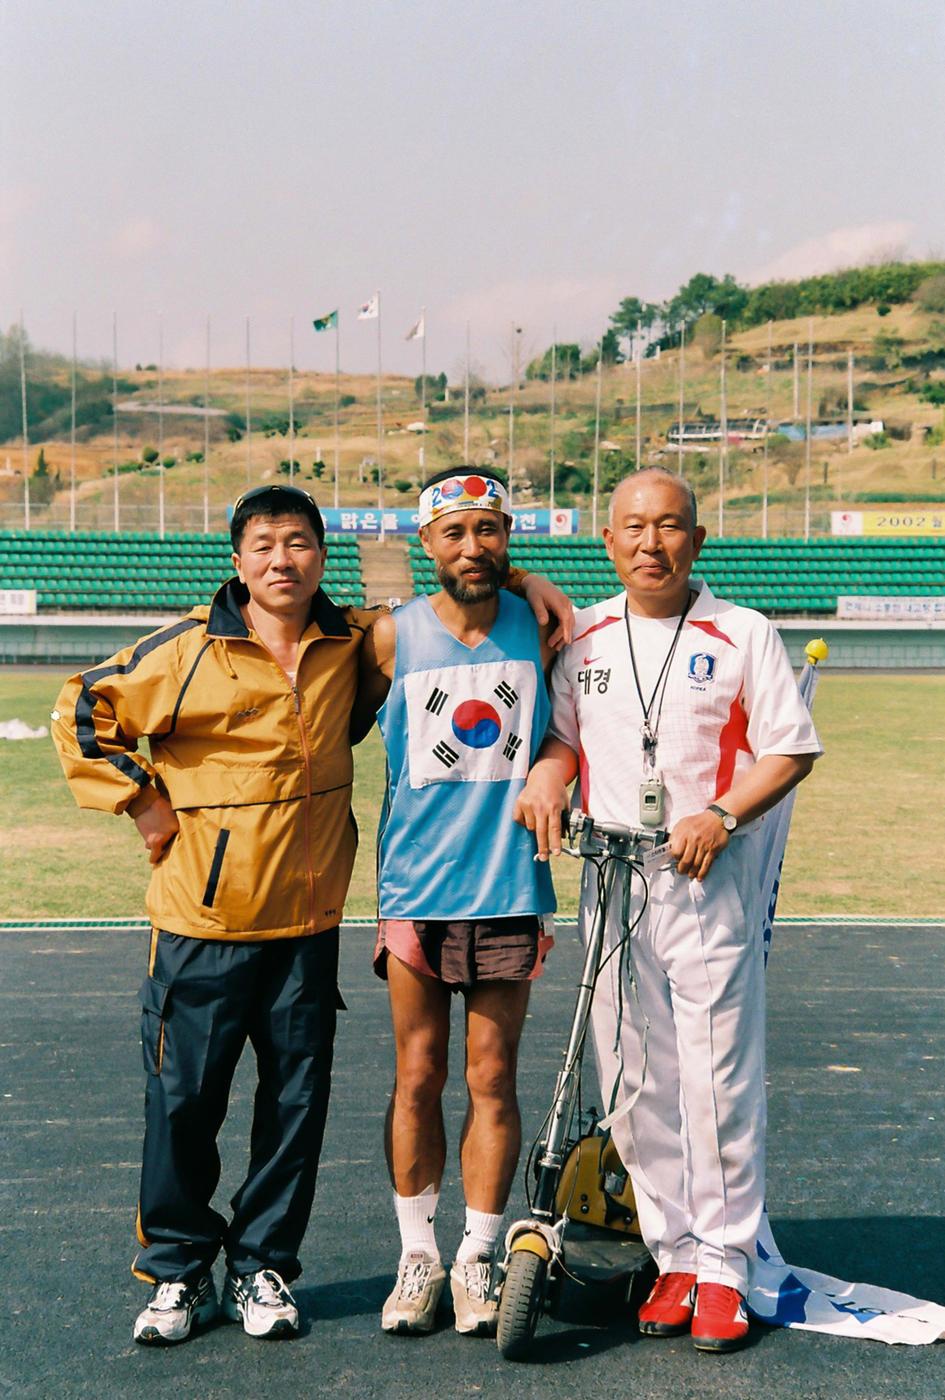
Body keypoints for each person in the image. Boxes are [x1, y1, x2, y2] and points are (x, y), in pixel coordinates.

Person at [51, 482, 570, 1347]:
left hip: (306, 922)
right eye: (262, 545)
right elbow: (80, 707)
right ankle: (179, 1270)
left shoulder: (349, 640)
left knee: (294, 1109)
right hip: (203, 920)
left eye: (297, 543)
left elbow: (468, 580)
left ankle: (261, 1267)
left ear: (323, 557)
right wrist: (141, 799)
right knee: (184, 1105)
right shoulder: (190, 648)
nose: (280, 560)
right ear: (236, 560)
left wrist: (526, 578)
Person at [514, 467, 822, 1353]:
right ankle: (673, 1252)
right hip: (612, 882)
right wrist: (547, 778)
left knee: (717, 1077)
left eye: (670, 526)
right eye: (634, 527)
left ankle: (725, 1264)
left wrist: (720, 815)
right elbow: (563, 739)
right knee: (632, 1080)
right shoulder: (584, 636)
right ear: (608, 540)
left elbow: (789, 749)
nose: (651, 543)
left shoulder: (741, 631)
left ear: (696, 539)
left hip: (703, 879)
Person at [358, 468, 558, 1338]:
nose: (472, 546)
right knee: (417, 1075)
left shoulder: (543, 625)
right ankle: (419, 1257)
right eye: (454, 532)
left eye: (489, 530)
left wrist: (553, 768)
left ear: (508, 537)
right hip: (416, 889)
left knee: (492, 1078)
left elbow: (567, 729)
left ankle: (476, 1255)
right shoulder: (388, 637)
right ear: (426, 544)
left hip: (509, 885)